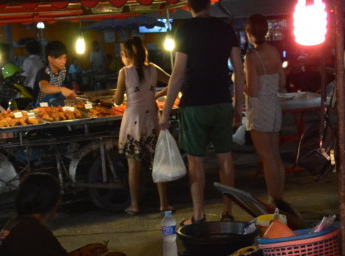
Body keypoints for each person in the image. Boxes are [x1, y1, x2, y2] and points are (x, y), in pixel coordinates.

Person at [160, 0, 244, 225]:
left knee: (196, 161)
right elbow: (238, 68)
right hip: (221, 101)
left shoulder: (185, 30)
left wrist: (165, 111)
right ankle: (227, 212)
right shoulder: (226, 28)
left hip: (194, 103)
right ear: (209, 4)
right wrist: (238, 105)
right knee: (225, 156)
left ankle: (198, 215)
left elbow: (178, 74)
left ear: (188, 6)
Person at [114, 36, 171, 215]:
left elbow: (116, 100)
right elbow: (174, 80)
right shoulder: (153, 68)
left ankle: (135, 205)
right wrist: (155, 95)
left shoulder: (124, 72)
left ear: (125, 54)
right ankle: (164, 204)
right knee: (158, 162)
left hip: (133, 122)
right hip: (152, 119)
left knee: (134, 166)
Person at [244, 13, 286, 206]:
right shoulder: (274, 52)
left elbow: (252, 89)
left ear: (248, 32)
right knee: (275, 155)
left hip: (260, 107)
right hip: (274, 105)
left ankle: (273, 199)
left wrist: (237, 83)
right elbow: (282, 81)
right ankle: (279, 196)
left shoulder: (252, 57)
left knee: (266, 156)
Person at [35, 41, 77, 107]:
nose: (63, 61)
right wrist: (62, 89)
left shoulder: (63, 70)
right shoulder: (44, 72)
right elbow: (44, 88)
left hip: (55, 105)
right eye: (60, 58)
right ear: (50, 59)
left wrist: (68, 93)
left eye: (65, 57)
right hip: (41, 107)